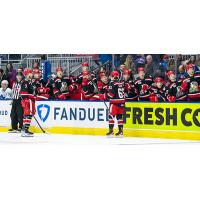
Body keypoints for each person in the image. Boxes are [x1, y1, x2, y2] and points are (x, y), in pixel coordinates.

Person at [107, 71, 125, 136]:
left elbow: (111, 95)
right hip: (122, 103)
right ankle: (121, 131)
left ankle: (111, 131)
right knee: (119, 117)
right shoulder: (121, 83)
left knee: (111, 116)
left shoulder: (112, 83)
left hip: (114, 103)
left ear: (112, 76)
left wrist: (103, 96)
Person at [20, 68, 35, 137]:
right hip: (27, 101)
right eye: (30, 73)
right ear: (26, 74)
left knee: (29, 115)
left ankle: (26, 129)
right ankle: (24, 130)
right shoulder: (25, 82)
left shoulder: (29, 82)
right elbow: (23, 94)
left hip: (30, 101)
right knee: (27, 115)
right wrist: (32, 96)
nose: (31, 74)